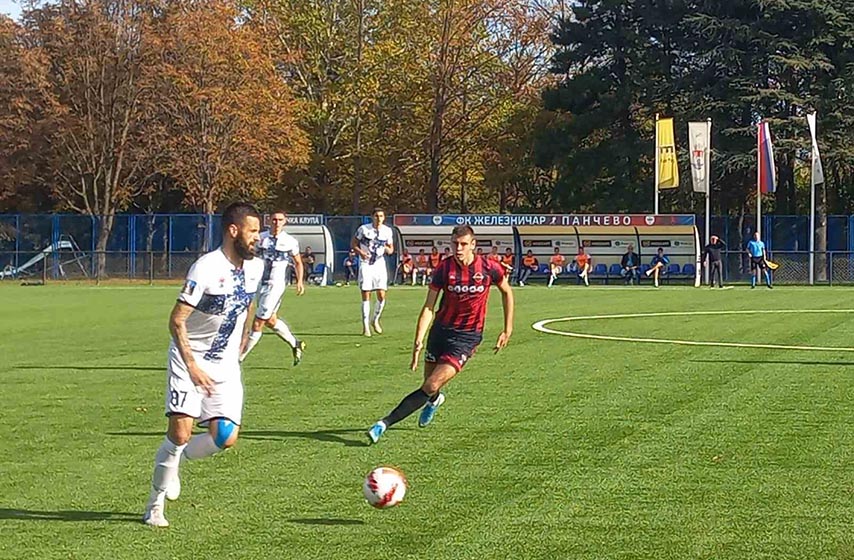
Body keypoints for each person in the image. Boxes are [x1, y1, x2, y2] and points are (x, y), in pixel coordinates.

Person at [142, 202, 264, 528]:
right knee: (180, 434)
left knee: (225, 437)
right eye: (253, 231)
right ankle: (154, 505)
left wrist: (244, 338)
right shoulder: (205, 268)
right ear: (233, 230)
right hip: (189, 358)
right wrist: (192, 365)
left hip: (225, 365)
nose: (258, 238)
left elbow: (248, 302)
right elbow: (177, 320)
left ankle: (176, 460)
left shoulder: (256, 267)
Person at [366, 224, 514, 444]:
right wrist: (418, 339)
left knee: (431, 384)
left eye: (464, 244)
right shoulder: (444, 269)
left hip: (466, 337)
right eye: (455, 243)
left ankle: (383, 423)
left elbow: (507, 292)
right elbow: (428, 307)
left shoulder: (489, 268)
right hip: (440, 332)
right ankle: (434, 402)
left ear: (473, 245)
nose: (458, 248)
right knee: (429, 385)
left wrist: (507, 328)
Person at [239, 211, 306, 366]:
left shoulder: (290, 241)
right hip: (258, 283)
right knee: (270, 320)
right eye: (274, 220)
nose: (277, 222)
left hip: (275, 286)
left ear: (285, 222)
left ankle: (239, 359)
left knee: (258, 323)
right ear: (269, 221)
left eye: (280, 220)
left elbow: (297, 262)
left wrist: (300, 281)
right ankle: (295, 343)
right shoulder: (260, 238)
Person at [352, 208, 395, 336]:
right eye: (376, 216)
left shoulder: (387, 231)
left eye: (381, 216)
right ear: (372, 217)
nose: (379, 218)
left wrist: (388, 249)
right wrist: (360, 252)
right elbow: (354, 243)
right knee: (366, 293)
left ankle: (375, 319)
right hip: (366, 264)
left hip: (379, 263)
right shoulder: (364, 229)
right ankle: (365, 326)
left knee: (381, 294)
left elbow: (391, 248)